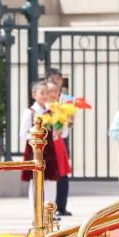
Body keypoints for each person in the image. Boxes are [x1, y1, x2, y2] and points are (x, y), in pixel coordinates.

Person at [19, 80, 59, 208]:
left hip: (49, 151)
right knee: (36, 181)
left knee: (51, 182)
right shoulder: (30, 112)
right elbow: (23, 134)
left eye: (47, 93)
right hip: (35, 151)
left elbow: (59, 134)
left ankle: (50, 211)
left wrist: (60, 127)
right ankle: (35, 212)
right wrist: (36, 137)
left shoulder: (51, 112)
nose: (45, 96)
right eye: (42, 93)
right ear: (34, 94)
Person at [46, 68, 73, 217]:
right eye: (53, 80)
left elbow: (66, 130)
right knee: (49, 177)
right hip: (47, 145)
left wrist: (67, 121)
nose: (53, 93)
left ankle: (61, 206)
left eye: (58, 81)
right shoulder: (43, 106)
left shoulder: (64, 103)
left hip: (60, 142)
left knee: (62, 175)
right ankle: (49, 207)